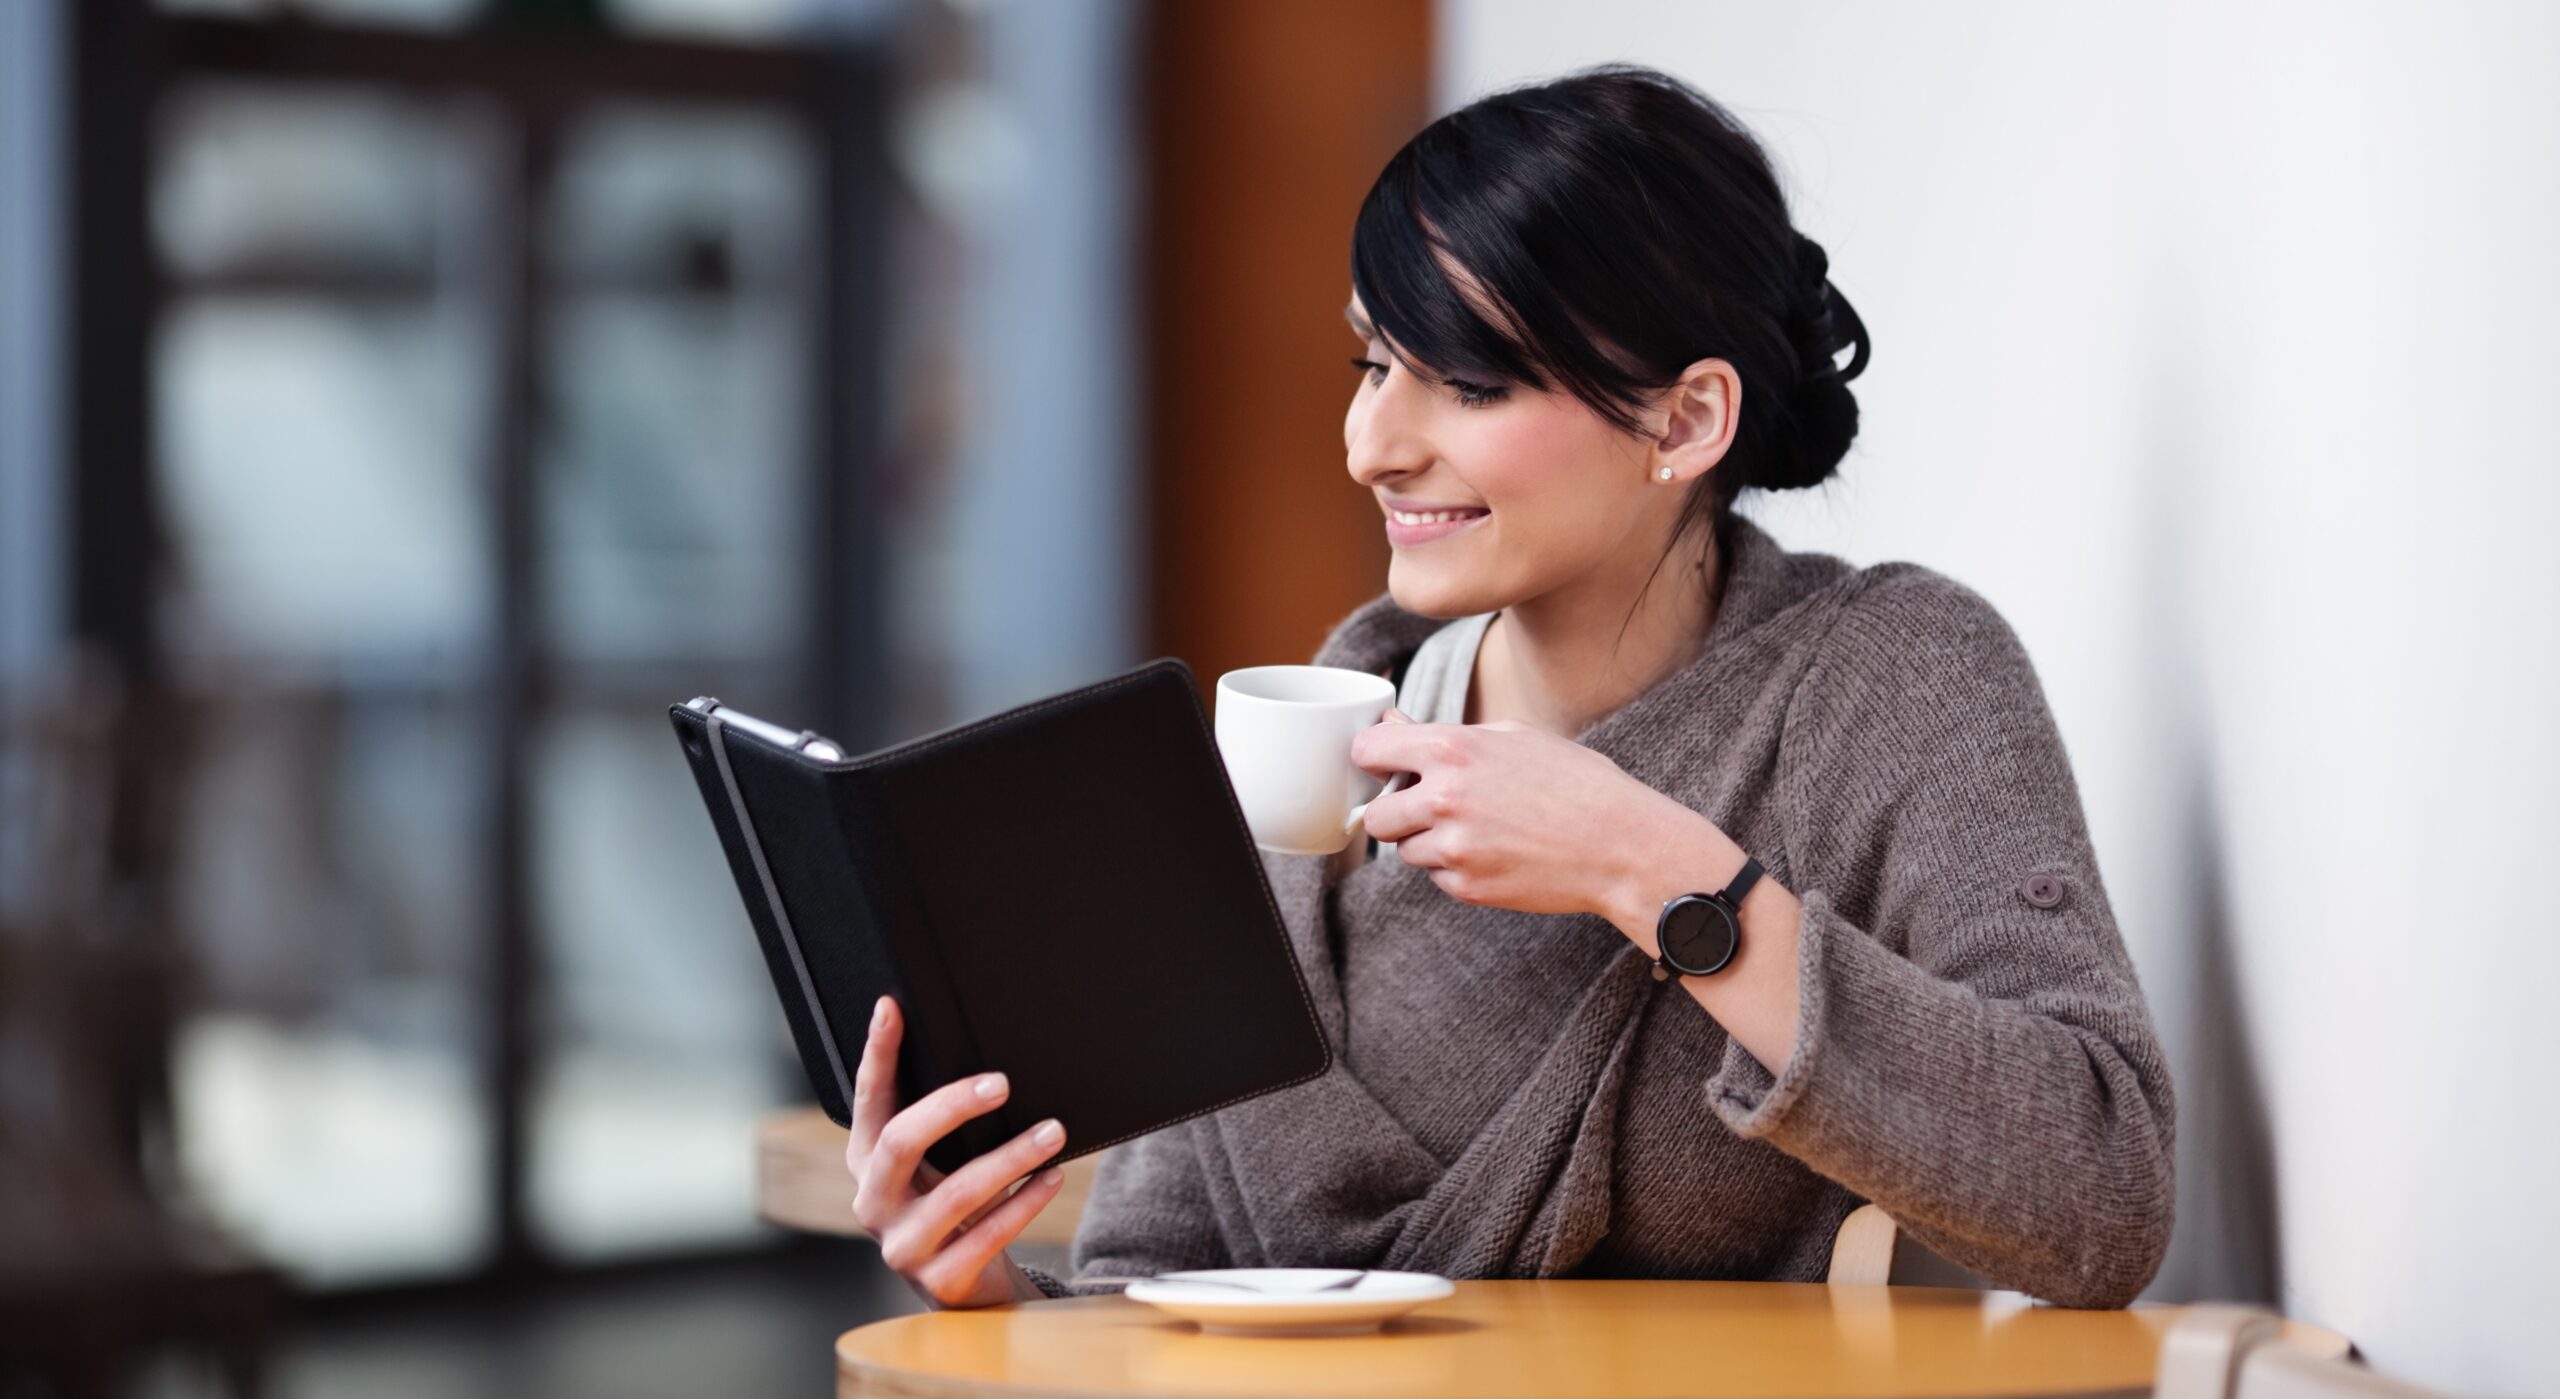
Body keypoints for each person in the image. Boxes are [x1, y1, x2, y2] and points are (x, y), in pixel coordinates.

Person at [840, 62, 2175, 1312]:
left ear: (1685, 421)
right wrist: (995, 1293)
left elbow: (2102, 1196)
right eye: (1372, 365)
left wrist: (1651, 874)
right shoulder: (1331, 715)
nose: (1372, 445)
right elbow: (1155, 1284)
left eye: (1466, 382)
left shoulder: (1887, 678)